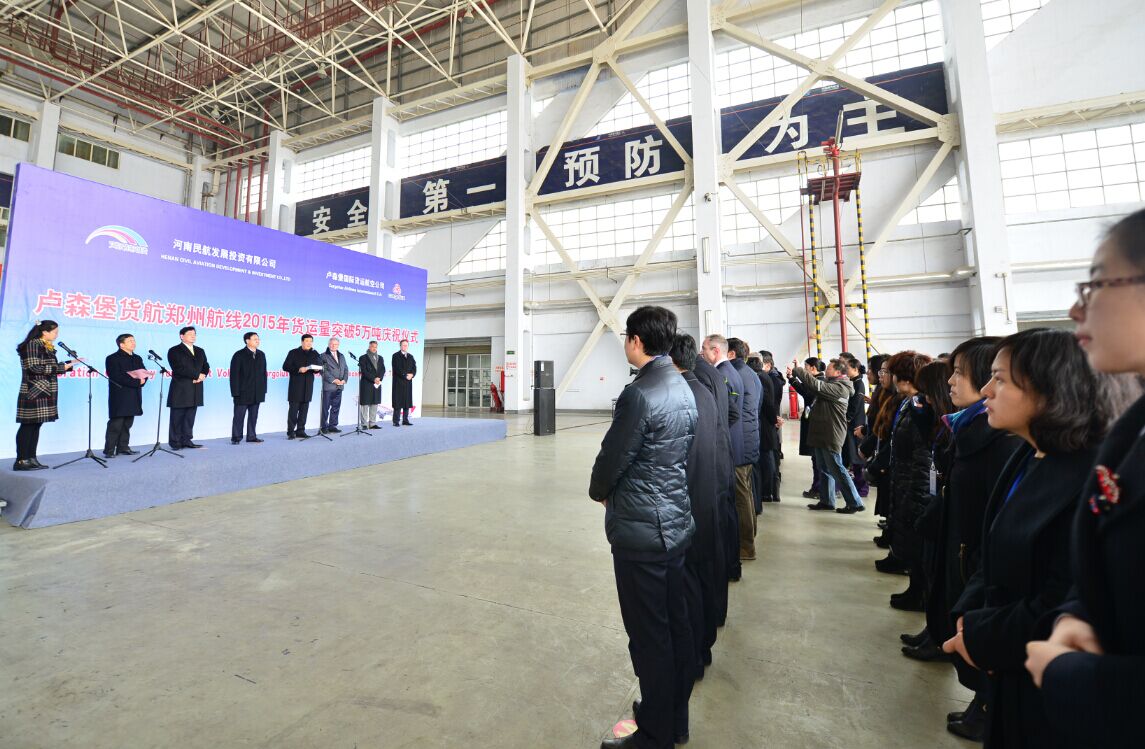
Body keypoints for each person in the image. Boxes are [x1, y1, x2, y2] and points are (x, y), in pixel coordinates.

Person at [941, 329, 1103, 749]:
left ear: (1049, 390)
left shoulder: (1091, 480)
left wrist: (984, 636)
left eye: (1000, 379)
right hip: (1006, 662)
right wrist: (968, 615)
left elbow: (1064, 597)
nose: (986, 391)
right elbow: (991, 548)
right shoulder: (1027, 453)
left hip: (1044, 678)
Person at [1025, 208, 1145, 747]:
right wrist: (1080, 614)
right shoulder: (1131, 431)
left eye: (1096, 283)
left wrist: (1071, 676)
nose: (1077, 307)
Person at [590, 306, 697, 749]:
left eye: (626, 337)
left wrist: (599, 491)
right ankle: (671, 717)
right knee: (675, 626)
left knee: (649, 636)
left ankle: (654, 735)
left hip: (642, 532)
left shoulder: (640, 394)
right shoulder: (681, 385)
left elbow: (611, 460)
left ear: (636, 341)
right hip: (674, 524)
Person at [915, 338, 1020, 739]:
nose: (951, 381)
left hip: (973, 556)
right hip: (959, 547)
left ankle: (986, 705)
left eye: (960, 373)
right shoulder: (969, 429)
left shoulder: (1003, 442)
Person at [670, 333, 723, 677]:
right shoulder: (702, 391)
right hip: (706, 493)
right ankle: (702, 649)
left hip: (687, 501)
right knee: (700, 579)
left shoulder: (680, 396)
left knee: (686, 585)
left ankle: (692, 658)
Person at [877, 351, 933, 577]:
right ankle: (899, 558)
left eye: (893, 373)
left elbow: (923, 457)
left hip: (912, 480)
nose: (890, 378)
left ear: (905, 377)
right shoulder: (907, 403)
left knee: (911, 528)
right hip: (901, 476)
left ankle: (913, 575)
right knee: (900, 522)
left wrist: (918, 492)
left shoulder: (921, 408)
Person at [692, 336, 735, 617]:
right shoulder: (716, 374)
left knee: (708, 543)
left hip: (709, 465)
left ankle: (712, 611)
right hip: (721, 458)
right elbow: (731, 413)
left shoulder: (697, 380)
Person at [787, 358, 864, 513]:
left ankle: (855, 502)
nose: (825, 370)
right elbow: (811, 388)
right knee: (824, 468)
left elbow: (816, 385)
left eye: (829, 368)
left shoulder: (840, 388)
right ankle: (827, 501)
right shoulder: (832, 384)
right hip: (823, 433)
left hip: (831, 434)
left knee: (837, 468)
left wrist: (798, 370)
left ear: (838, 372)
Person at [702, 334, 744, 582]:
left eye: (705, 349)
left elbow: (731, 413)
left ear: (716, 350)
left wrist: (717, 435)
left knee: (726, 512)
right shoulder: (728, 372)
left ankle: (730, 565)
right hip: (729, 447)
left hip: (725, 450)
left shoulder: (721, 375)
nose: (702, 353)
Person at [14, 320, 73, 470]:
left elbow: (47, 366)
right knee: (28, 426)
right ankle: (21, 460)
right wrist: (62, 367)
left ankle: (31, 458)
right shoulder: (33, 344)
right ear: (44, 332)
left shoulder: (45, 345)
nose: (57, 335)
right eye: (54, 332)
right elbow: (34, 367)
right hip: (34, 391)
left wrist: (68, 364)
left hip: (44, 390)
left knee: (36, 425)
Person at [726, 339, 761, 557]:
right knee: (746, 492)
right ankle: (750, 536)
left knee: (741, 496)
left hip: (740, 442)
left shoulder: (735, 375)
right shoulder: (750, 373)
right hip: (749, 438)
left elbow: (732, 413)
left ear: (730, 354)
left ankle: (746, 546)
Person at [167, 326, 209, 450]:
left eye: (194, 334)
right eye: (190, 334)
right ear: (182, 336)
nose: (193, 336)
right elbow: (178, 368)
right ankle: (175, 442)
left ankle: (187, 440)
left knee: (190, 416)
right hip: (181, 388)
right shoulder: (174, 350)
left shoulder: (200, 350)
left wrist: (202, 375)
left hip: (196, 387)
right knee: (177, 417)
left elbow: (206, 365)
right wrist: (196, 375)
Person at [104, 333, 145, 457]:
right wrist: (137, 382)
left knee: (128, 423)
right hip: (120, 395)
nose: (133, 343)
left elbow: (143, 372)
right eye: (130, 341)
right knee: (116, 424)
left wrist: (143, 380)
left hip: (134, 394)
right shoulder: (112, 358)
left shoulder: (137, 358)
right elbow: (116, 377)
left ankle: (123, 447)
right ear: (121, 345)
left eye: (134, 340)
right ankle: (109, 450)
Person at [790, 357, 825, 498]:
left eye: (805, 368)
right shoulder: (816, 380)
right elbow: (805, 390)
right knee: (815, 459)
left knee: (818, 460)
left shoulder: (820, 382)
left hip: (816, 425)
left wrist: (793, 379)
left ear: (813, 368)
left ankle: (819, 489)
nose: (804, 371)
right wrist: (792, 379)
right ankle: (817, 487)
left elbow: (807, 393)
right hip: (812, 423)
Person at [229, 332, 267, 444]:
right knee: (239, 416)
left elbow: (264, 374)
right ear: (247, 341)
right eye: (255, 339)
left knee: (253, 416)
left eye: (258, 339)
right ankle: (236, 437)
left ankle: (251, 436)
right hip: (242, 392)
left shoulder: (261, 354)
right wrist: (235, 392)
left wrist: (263, 390)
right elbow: (234, 375)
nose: (257, 341)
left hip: (257, 392)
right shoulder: (239, 355)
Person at [841, 354, 869, 498]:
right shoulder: (853, 382)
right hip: (851, 423)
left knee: (857, 457)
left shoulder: (859, 384)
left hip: (856, 424)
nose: (846, 370)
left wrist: (847, 418)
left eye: (848, 368)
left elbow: (855, 404)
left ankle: (862, 488)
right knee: (850, 455)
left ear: (856, 369)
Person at [283, 334, 321, 439]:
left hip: (308, 385)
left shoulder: (314, 353)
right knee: (293, 410)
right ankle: (290, 431)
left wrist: (317, 369)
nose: (309, 343)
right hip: (296, 385)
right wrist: (298, 369)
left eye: (311, 341)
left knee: (304, 410)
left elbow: (319, 366)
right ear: (302, 342)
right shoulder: (293, 352)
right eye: (307, 341)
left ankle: (300, 430)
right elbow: (285, 366)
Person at [319, 337, 350, 434]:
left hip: (340, 386)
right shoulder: (323, 356)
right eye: (332, 344)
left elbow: (345, 369)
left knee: (336, 407)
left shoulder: (342, 356)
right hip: (329, 386)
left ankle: (332, 426)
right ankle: (323, 427)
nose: (333, 346)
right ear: (328, 344)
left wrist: (344, 380)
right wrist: (333, 380)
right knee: (325, 408)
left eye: (336, 344)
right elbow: (323, 371)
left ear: (338, 345)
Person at [358, 340, 386, 429]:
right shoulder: (363, 358)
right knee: (365, 404)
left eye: (375, 347)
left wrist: (379, 378)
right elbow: (364, 371)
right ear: (369, 347)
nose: (374, 348)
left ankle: (372, 423)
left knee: (375, 403)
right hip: (366, 383)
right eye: (372, 346)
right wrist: (374, 378)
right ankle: (364, 424)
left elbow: (383, 369)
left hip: (377, 384)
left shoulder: (380, 358)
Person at [391, 339, 417, 426]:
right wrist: (405, 375)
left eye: (406, 345)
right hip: (398, 382)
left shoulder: (411, 356)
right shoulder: (395, 355)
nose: (405, 347)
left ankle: (405, 420)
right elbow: (396, 368)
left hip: (408, 383)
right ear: (400, 346)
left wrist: (412, 374)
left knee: (407, 402)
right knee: (398, 402)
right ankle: (396, 421)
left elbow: (414, 368)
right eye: (403, 345)